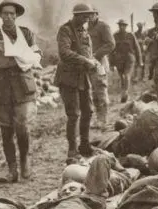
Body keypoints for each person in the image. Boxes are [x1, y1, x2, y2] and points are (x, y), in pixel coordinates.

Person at [0, 0, 42, 184]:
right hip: (1, 87)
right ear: (0, 16)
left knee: (22, 126)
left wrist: (26, 58)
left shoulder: (26, 34)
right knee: (6, 130)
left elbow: (37, 54)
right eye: (5, 13)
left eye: (11, 14)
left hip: (22, 86)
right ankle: (12, 170)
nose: (8, 16)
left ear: (16, 16)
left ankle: (24, 161)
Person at [55, 3, 102, 161]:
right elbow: (64, 53)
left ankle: (85, 145)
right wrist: (85, 61)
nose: (87, 18)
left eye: (89, 15)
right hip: (68, 78)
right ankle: (72, 150)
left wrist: (93, 62)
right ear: (77, 15)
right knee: (74, 114)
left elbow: (88, 53)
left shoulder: (84, 32)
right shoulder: (65, 30)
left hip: (83, 77)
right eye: (85, 15)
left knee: (88, 111)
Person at [87, 9, 115, 129]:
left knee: (101, 90)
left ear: (97, 14)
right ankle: (98, 119)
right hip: (89, 63)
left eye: (92, 14)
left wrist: (96, 55)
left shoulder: (103, 26)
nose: (90, 16)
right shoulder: (87, 27)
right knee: (93, 92)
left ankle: (103, 120)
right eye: (88, 14)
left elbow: (111, 44)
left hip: (100, 62)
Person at [112, 19, 142, 103]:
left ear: (126, 26)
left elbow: (137, 48)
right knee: (121, 77)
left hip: (129, 58)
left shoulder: (131, 35)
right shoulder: (115, 36)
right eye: (120, 25)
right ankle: (123, 92)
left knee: (126, 75)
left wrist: (140, 60)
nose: (122, 27)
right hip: (119, 59)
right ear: (118, 26)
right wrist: (111, 63)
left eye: (123, 25)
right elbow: (112, 50)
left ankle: (125, 93)